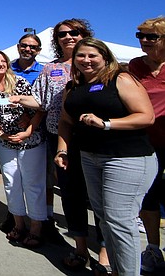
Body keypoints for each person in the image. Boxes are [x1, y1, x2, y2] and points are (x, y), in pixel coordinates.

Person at [11, 18, 109, 271]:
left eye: (74, 32)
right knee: (71, 193)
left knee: (100, 197)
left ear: (84, 34)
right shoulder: (50, 69)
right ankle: (79, 249)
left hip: (97, 140)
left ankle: (105, 252)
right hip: (59, 137)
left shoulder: (101, 65)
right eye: (62, 34)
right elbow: (40, 102)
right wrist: (20, 99)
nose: (68, 37)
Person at [57, 37, 157, 276]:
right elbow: (65, 121)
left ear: (105, 57)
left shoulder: (120, 79)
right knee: (104, 219)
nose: (86, 60)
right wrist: (62, 149)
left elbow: (146, 116)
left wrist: (106, 124)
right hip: (90, 158)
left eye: (92, 55)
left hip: (126, 158)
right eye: (81, 56)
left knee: (120, 221)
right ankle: (117, 269)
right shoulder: (73, 87)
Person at [0, 50, 46, 248]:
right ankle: (19, 225)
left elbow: (39, 107)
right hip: (4, 142)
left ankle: (36, 229)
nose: (0, 64)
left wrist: (28, 131)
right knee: (11, 182)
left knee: (32, 183)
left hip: (30, 141)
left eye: (3, 61)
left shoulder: (19, 82)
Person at [129, 17, 165, 273]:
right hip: (145, 141)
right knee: (149, 197)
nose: (143, 40)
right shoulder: (135, 66)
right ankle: (153, 249)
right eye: (140, 35)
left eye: (151, 36)